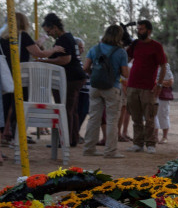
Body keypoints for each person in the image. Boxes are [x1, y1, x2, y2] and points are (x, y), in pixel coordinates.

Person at [0, 12, 64, 144]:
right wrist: (54, 50)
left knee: (6, 104)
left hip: (4, 74)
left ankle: (4, 134)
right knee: (18, 104)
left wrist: (40, 41)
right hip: (19, 75)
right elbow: (38, 53)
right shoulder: (22, 35)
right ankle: (12, 133)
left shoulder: (2, 36)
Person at [39, 13, 86, 147]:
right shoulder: (68, 37)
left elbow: (65, 59)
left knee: (64, 109)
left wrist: (45, 61)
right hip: (76, 77)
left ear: (54, 27)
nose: (49, 34)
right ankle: (72, 138)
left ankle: (64, 139)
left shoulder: (62, 40)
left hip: (70, 79)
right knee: (71, 109)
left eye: (49, 31)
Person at [82, 25, 129, 158]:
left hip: (95, 87)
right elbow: (125, 74)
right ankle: (110, 151)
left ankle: (89, 149)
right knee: (112, 120)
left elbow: (85, 67)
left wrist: (94, 74)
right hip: (112, 88)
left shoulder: (95, 49)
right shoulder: (120, 52)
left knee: (93, 118)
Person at [126, 20, 167, 154]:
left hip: (148, 87)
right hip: (132, 85)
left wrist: (159, 84)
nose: (139, 31)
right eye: (138, 29)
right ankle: (137, 143)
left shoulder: (156, 46)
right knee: (136, 117)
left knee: (149, 117)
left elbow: (163, 65)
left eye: (142, 29)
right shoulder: (134, 44)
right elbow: (126, 59)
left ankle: (151, 144)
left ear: (149, 31)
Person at [155, 56, 175, 144]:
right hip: (152, 94)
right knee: (153, 115)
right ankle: (155, 136)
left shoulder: (166, 67)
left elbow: (170, 82)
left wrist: (157, 83)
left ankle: (164, 136)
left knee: (163, 114)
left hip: (162, 94)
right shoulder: (151, 66)